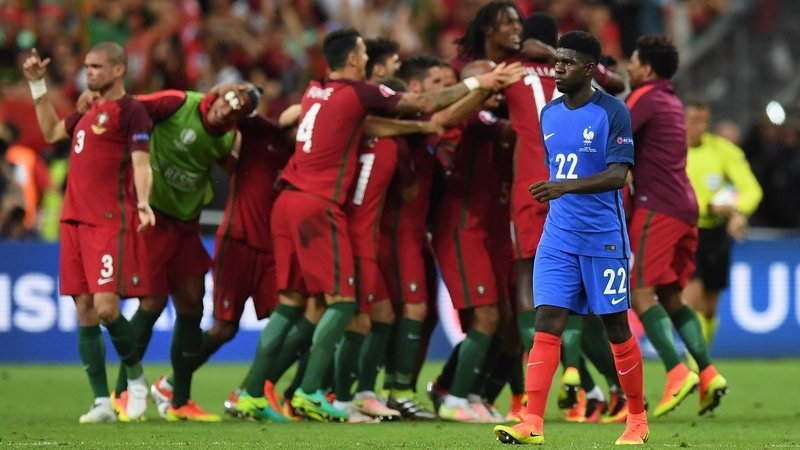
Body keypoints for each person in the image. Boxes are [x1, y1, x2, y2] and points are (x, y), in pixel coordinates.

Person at [237, 28, 521, 423]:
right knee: (344, 305)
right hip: (322, 206)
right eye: (365, 52)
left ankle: (251, 392)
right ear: (355, 60)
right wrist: (478, 83)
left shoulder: (317, 90)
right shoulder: (361, 94)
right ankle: (310, 392)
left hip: (287, 198)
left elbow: (361, 125)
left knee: (296, 305)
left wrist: (418, 128)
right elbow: (420, 103)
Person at [493, 31, 648, 445]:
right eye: (556, 60)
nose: (557, 67)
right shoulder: (549, 113)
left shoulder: (613, 111)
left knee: (616, 326)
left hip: (603, 238)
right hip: (558, 235)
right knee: (547, 321)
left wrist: (564, 187)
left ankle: (636, 419)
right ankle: (532, 422)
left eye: (567, 62)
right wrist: (560, 192)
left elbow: (619, 175)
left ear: (589, 69)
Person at [101, 82, 259, 422]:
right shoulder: (177, 103)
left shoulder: (227, 138)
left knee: (192, 302)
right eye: (228, 100)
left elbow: (236, 167)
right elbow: (130, 109)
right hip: (152, 216)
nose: (227, 109)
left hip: (186, 224)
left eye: (237, 111)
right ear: (217, 92)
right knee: (153, 302)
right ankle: (123, 392)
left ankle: (179, 400)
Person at [23, 44, 155, 423]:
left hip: (107, 220)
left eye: (96, 67)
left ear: (118, 70)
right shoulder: (87, 109)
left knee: (106, 307)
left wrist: (144, 202)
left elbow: (141, 162)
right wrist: (37, 86)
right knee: (84, 310)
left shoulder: (131, 112)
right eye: (86, 67)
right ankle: (101, 403)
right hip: (73, 222)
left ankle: (135, 379)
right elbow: (50, 131)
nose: (89, 73)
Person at [155, 111, 295, 423]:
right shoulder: (263, 135)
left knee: (292, 326)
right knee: (224, 329)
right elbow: (230, 114)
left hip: (272, 251)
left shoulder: (303, 154)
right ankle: (170, 385)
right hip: (238, 241)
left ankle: (250, 394)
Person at [626, 34, 728, 418]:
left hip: (658, 208)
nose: (628, 67)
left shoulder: (645, 96)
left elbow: (611, 134)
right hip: (685, 208)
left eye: (633, 61)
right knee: (670, 295)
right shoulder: (670, 99)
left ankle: (675, 372)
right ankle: (708, 374)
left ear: (647, 68)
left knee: (638, 292)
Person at [431, 59, 515, 423]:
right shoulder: (472, 119)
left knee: (505, 319)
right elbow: (512, 132)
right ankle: (454, 397)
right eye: (491, 81)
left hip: (492, 232)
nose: (498, 91)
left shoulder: (489, 122)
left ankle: (475, 395)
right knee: (487, 315)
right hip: (464, 228)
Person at [683, 99, 762, 356]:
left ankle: (701, 364)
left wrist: (739, 212)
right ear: (681, 120)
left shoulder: (722, 151)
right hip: (685, 231)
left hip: (716, 234)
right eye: (695, 121)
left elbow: (751, 189)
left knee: (708, 308)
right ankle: (697, 369)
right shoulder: (671, 152)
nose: (700, 127)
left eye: (705, 121)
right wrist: (707, 206)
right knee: (691, 301)